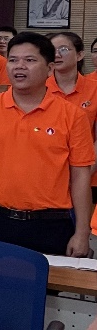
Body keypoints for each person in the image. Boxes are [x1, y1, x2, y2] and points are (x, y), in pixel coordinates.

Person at [0, 33, 93, 257]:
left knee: (47, 280)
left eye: (29, 60)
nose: (19, 66)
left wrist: (82, 232)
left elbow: (80, 177)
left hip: (50, 224)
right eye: (13, 60)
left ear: (49, 68)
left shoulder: (72, 115)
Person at [48, 31, 97, 205]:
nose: (56, 54)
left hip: (89, 175)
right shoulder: (38, 89)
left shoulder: (94, 88)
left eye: (63, 49)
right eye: (52, 50)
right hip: (47, 177)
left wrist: (80, 175)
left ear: (79, 55)